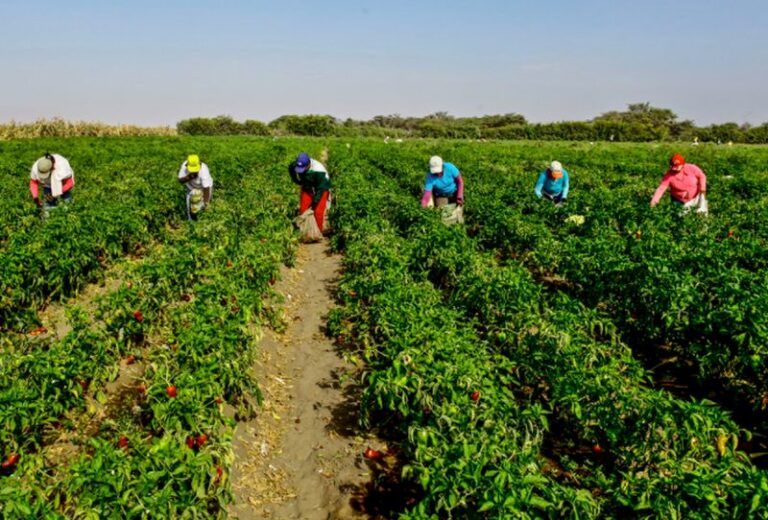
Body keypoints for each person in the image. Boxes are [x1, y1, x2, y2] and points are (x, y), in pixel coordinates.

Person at [288, 152, 331, 233]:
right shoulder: (296, 164)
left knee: (318, 211)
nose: (301, 171)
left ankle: (317, 232)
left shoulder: (319, 170)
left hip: (321, 188)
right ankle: (304, 231)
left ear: (308, 165)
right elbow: (291, 168)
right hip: (307, 187)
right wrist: (296, 180)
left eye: (303, 169)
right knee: (303, 209)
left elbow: (321, 188)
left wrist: (315, 201)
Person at [178, 154, 213, 220]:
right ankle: (191, 222)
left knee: (202, 207)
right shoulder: (184, 166)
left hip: (204, 189)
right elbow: (180, 180)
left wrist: (206, 203)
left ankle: (203, 221)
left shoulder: (203, 171)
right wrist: (189, 177)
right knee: (190, 208)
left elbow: (206, 188)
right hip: (191, 188)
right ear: (187, 165)